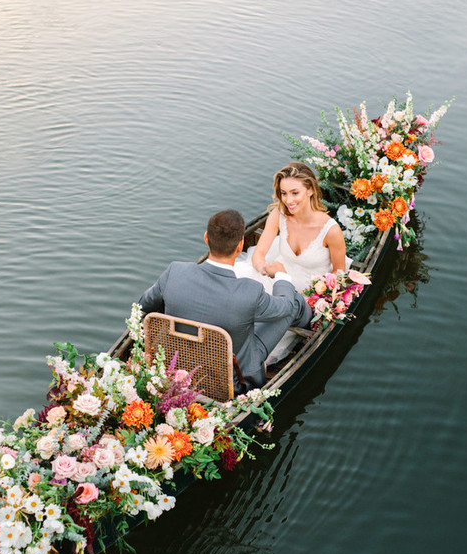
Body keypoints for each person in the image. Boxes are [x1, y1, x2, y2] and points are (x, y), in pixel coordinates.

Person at [138, 209, 312, 391]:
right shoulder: (249, 291)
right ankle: (310, 325)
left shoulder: (175, 272)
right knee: (294, 302)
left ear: (206, 238)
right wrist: (281, 276)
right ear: (240, 246)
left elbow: (143, 305)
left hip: (176, 366)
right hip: (235, 383)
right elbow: (284, 307)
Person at [234, 162, 347, 294]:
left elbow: (339, 274)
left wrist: (316, 298)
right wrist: (264, 268)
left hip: (308, 293)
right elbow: (258, 255)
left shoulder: (331, 231)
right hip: (276, 280)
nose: (288, 200)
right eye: (284, 193)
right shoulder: (279, 214)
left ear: (310, 190)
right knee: (237, 275)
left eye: (295, 193)